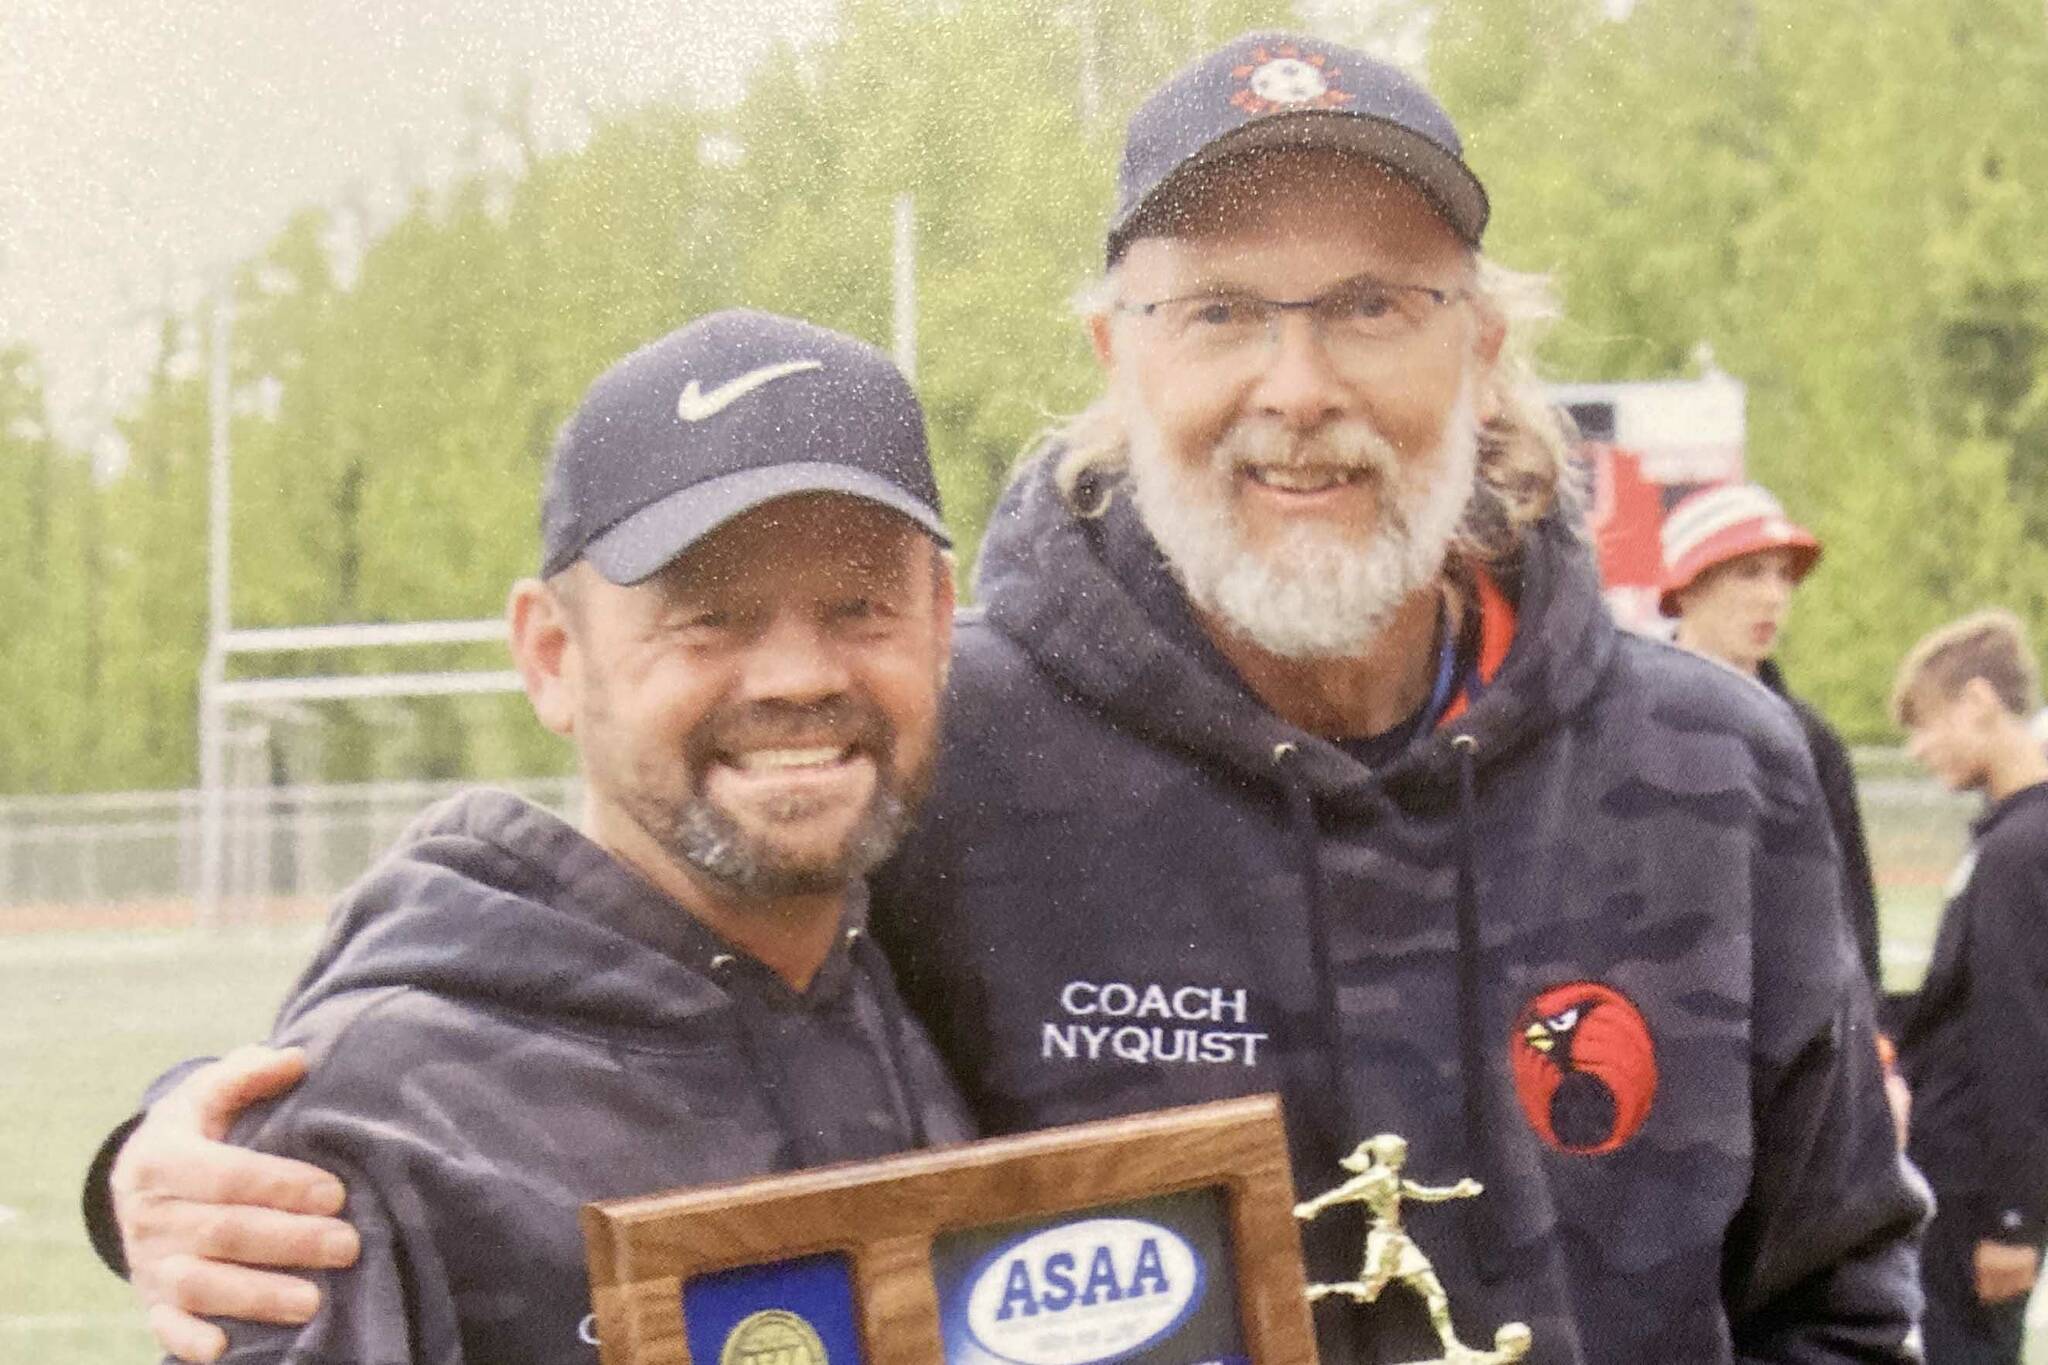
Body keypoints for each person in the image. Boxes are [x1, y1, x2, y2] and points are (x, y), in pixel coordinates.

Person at [87, 31, 1924, 1365]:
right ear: (1113, 353)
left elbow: (1833, 1291)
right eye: (1215, 313)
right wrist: (188, 1142)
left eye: (1372, 303)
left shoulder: (1719, 770)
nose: (1294, 387)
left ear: (1481, 340)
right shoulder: (936, 746)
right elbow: (557, 954)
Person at [101, 308, 975, 1364]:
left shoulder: (947, 991)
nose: (798, 676)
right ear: (553, 654)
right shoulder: (374, 1128)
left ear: (937, 620)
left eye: (859, 607)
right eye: (711, 619)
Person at [1889, 610, 2048, 1364]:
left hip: (1979, 1198)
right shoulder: (2007, 836)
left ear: (1979, 702)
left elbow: (2018, 1037)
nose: (1920, 750)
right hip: (1965, 1185)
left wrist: (2015, 1220)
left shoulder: (2023, 848)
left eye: (1926, 725)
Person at [1659, 481, 1885, 991]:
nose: (1774, 596)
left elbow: (1851, 909)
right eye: (1749, 573)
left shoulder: (1811, 741)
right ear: (1687, 587)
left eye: (1784, 576)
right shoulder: (1624, 727)